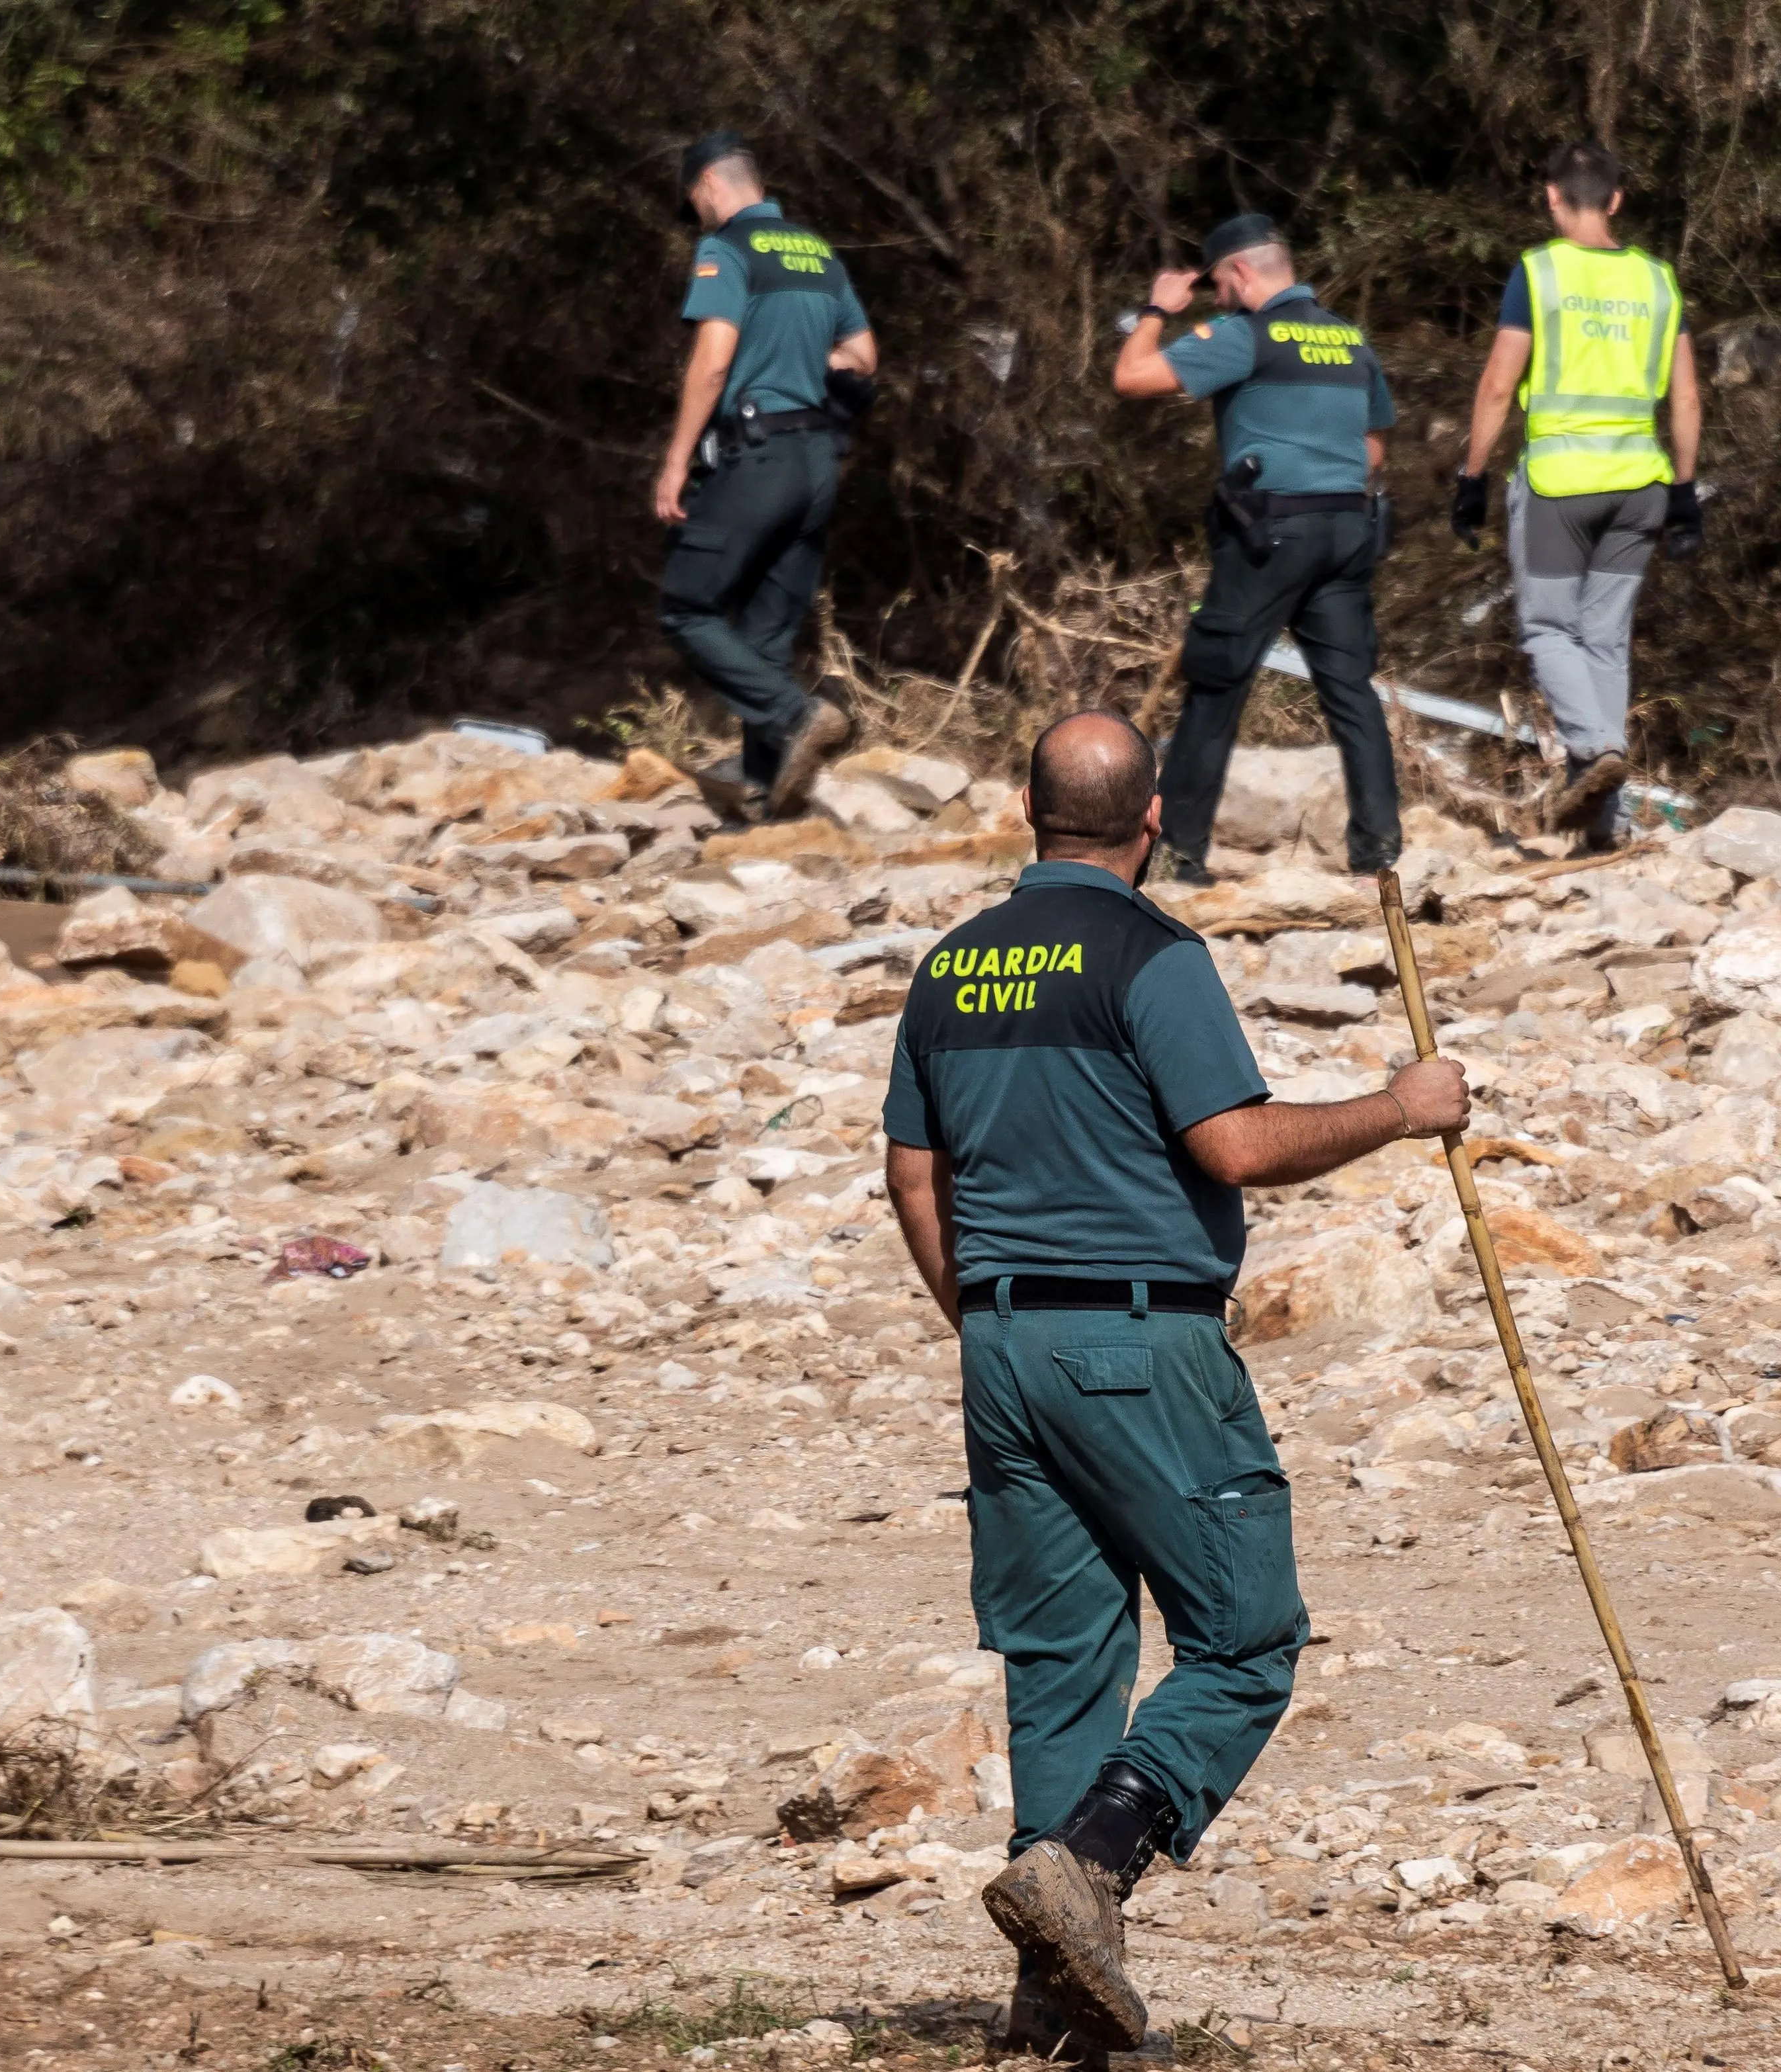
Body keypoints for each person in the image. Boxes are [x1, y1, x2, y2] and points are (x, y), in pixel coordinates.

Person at [882, 711, 1470, 2061]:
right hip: (1138, 1343)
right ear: (1153, 822)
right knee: (1246, 1636)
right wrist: (1402, 1106)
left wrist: (983, 1322)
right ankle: (1090, 1862)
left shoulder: (953, 968)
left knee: (1063, 1658)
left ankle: (1053, 2005)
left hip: (1001, 1344)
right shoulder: (1152, 954)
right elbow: (1234, 1146)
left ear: (1030, 814)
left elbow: (917, 1182)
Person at [1109, 214, 1403, 886]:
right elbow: (1378, 437)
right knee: (1352, 693)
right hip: (1347, 528)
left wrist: (1157, 309)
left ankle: (1179, 855)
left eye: (1217, 284)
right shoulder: (1349, 340)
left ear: (1241, 272)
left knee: (1216, 685)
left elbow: (1132, 377)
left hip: (1271, 534)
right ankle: (1378, 853)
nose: (1216, 298)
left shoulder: (1246, 335)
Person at [1452, 140, 1704, 855]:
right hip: (1641, 485)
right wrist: (1685, 491)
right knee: (1604, 637)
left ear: (1553, 197)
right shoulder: (1658, 281)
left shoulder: (1539, 273)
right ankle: (1609, 822)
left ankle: (1596, 751)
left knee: (1546, 631)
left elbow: (1500, 383)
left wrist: (1472, 476)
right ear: (1617, 199)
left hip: (1561, 481)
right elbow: (1686, 394)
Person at [652, 130, 877, 824]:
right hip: (818, 461)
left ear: (711, 187)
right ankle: (768, 790)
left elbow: (712, 362)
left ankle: (797, 713)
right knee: (766, 634)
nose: (698, 218)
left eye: (696, 204)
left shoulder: (726, 249)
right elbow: (864, 355)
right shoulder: (816, 252)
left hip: (761, 454)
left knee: (686, 605)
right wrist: (810, 370)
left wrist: (676, 460)